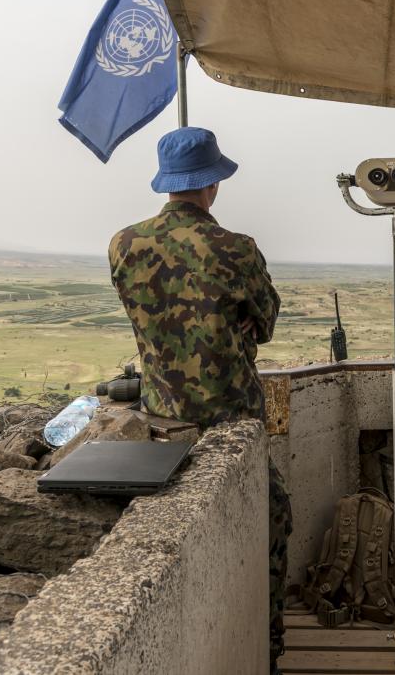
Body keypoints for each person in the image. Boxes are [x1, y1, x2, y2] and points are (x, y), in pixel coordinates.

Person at [108, 127, 292, 674]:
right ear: (212, 184)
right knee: (273, 518)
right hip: (230, 417)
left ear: (168, 184)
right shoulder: (237, 248)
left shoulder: (124, 243)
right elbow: (267, 325)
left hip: (161, 420)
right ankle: (269, 651)